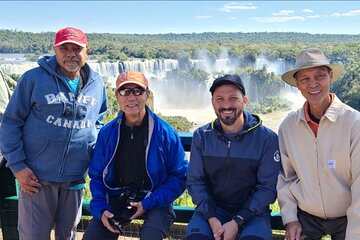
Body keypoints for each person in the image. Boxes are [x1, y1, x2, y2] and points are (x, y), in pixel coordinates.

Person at [0, 26, 108, 240]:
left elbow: (98, 120)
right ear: (55, 50)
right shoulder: (33, 79)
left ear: (87, 50)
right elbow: (10, 123)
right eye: (64, 48)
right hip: (36, 181)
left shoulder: (97, 84)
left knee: (67, 236)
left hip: (75, 179)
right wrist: (18, 166)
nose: (71, 53)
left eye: (76, 48)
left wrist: (88, 152)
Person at [83, 70, 188, 240]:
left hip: (156, 199)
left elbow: (180, 176)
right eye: (125, 91)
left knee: (150, 236)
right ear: (117, 96)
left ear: (147, 95)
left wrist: (148, 203)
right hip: (118, 197)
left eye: (138, 91)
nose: (131, 97)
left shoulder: (165, 133)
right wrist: (101, 208)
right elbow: (97, 176)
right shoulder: (108, 133)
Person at [277, 48, 360, 240]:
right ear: (297, 84)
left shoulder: (354, 124)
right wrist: (290, 219)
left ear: (331, 77)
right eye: (304, 79)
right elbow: (285, 177)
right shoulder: (289, 127)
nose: (312, 84)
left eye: (320, 76)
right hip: (306, 217)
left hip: (349, 217)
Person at [185, 74, 280, 240]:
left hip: (253, 212)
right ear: (213, 103)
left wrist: (237, 221)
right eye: (219, 99)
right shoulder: (202, 136)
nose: (226, 105)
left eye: (233, 98)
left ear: (245, 100)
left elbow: (267, 189)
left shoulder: (267, 139)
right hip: (212, 210)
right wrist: (211, 217)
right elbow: (195, 181)